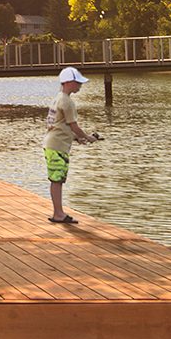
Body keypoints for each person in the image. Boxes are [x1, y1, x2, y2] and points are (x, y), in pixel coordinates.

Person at [43, 66, 100, 224]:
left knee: (57, 179)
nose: (80, 85)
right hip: (57, 146)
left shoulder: (58, 98)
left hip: (54, 143)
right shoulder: (67, 102)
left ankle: (59, 212)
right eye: (77, 82)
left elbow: (61, 126)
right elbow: (74, 125)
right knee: (57, 180)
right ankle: (58, 214)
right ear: (68, 82)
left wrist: (76, 138)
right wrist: (87, 137)